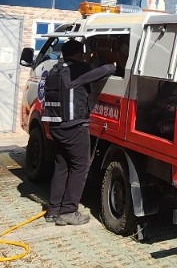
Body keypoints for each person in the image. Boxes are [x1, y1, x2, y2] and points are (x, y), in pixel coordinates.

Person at [42, 39, 120, 225]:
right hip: (74, 126)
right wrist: (113, 64)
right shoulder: (77, 68)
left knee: (62, 165)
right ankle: (69, 211)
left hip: (56, 126)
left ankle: (53, 210)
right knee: (80, 167)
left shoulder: (56, 69)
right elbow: (102, 71)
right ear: (79, 54)